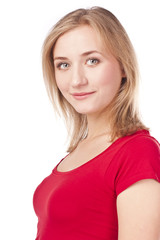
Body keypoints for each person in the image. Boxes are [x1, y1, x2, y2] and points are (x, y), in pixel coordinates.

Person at [33, 6, 160, 240]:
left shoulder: (137, 152)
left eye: (92, 61)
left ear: (123, 66)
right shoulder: (76, 152)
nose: (77, 80)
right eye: (64, 64)